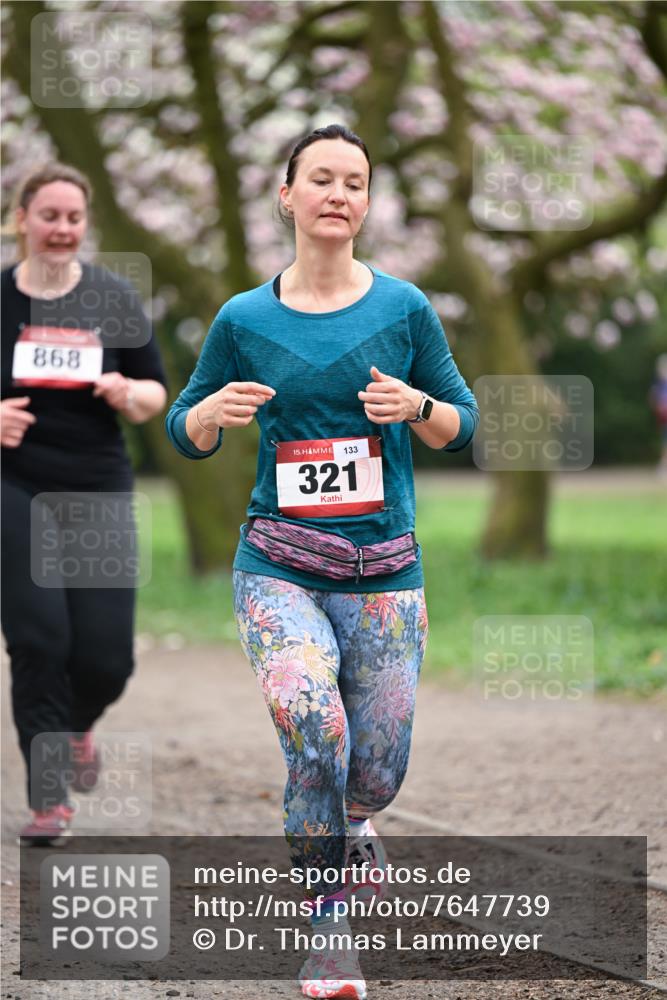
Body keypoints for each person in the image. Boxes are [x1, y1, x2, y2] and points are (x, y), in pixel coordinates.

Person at [166, 124, 479, 1000]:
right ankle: (327, 930)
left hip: (384, 571)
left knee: (374, 772)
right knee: (314, 727)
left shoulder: (404, 308)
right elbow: (184, 426)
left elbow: (462, 425)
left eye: (354, 182)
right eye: (321, 178)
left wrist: (416, 405)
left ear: (366, 203)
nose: (338, 193)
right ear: (287, 196)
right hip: (278, 565)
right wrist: (207, 417)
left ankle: (355, 821)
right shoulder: (243, 319)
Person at [1, 163, 167, 845]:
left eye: (73, 218)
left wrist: (129, 394)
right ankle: (49, 799)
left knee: (106, 659)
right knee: (40, 639)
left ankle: (75, 728)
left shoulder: (111, 298)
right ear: (22, 220)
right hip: (13, 484)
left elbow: (157, 392)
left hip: (96, 485)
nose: (62, 229)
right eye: (49, 216)